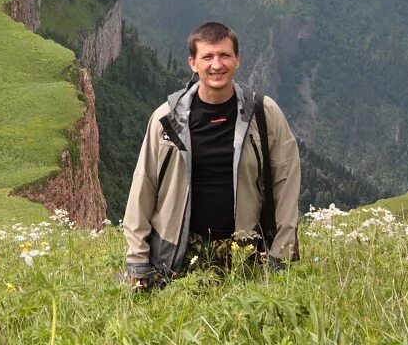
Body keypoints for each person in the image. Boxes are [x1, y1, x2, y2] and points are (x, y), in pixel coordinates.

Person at [123, 22, 300, 289]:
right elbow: (144, 185)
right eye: (208, 57)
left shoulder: (264, 114)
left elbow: (286, 181)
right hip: (177, 256)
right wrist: (138, 261)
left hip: (246, 254)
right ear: (193, 63)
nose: (217, 65)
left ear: (237, 60)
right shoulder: (166, 120)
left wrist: (282, 251)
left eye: (225, 55)